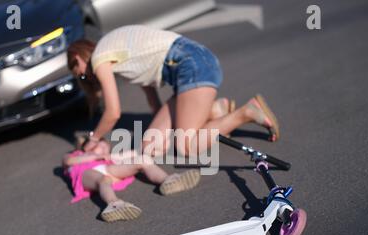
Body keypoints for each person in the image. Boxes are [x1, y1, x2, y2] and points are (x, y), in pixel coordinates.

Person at [67, 25, 279, 157]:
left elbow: (113, 112)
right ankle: (215, 110)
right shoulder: (112, 47)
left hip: (192, 67)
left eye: (82, 75)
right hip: (193, 63)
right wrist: (163, 129)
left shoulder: (99, 60)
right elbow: (150, 95)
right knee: (151, 145)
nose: (87, 78)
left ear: (77, 57)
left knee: (187, 146)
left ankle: (246, 112)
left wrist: (94, 139)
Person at [62, 139, 201, 222]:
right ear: (85, 146)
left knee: (142, 160)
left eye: (105, 145)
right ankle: (115, 205)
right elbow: (68, 161)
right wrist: (95, 156)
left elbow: (135, 153)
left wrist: (151, 149)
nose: (104, 147)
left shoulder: (109, 157)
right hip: (86, 175)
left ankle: (168, 180)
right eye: (99, 144)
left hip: (109, 169)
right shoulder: (76, 155)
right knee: (103, 179)